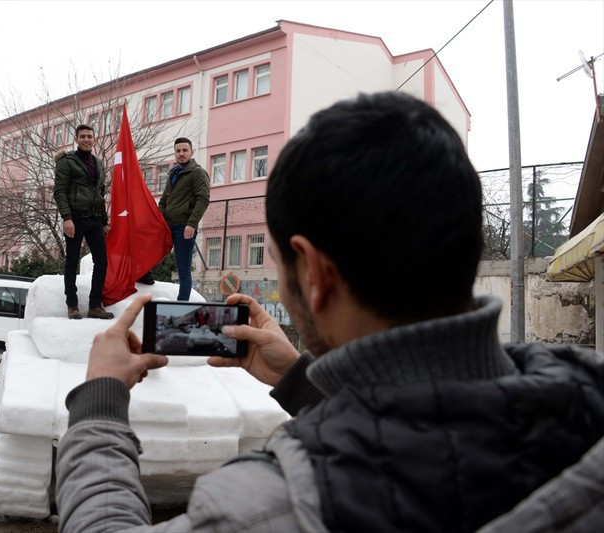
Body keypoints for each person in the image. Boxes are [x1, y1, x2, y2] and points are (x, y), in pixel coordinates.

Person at [55, 92, 604, 532]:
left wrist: (101, 404)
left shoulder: (271, 504)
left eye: (274, 255)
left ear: (313, 275)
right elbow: (435, 437)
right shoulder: (582, 397)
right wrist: (302, 381)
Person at [53, 124, 114, 320]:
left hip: (95, 218)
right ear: (77, 139)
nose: (87, 139)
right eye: (83, 136)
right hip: (75, 218)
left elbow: (100, 194)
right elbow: (60, 192)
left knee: (102, 262)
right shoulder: (67, 162)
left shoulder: (98, 163)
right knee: (71, 261)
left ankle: (95, 305)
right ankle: (72, 305)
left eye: (90, 136)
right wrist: (66, 218)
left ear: (94, 139)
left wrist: (104, 221)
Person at [153, 137, 210, 300]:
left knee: (183, 269)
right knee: (149, 254)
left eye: (185, 150)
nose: (181, 154)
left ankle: (182, 305)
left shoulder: (197, 173)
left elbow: (203, 199)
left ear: (191, 152)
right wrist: (160, 221)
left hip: (184, 228)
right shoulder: (174, 173)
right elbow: (164, 200)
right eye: (178, 151)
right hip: (167, 226)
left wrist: (191, 224)